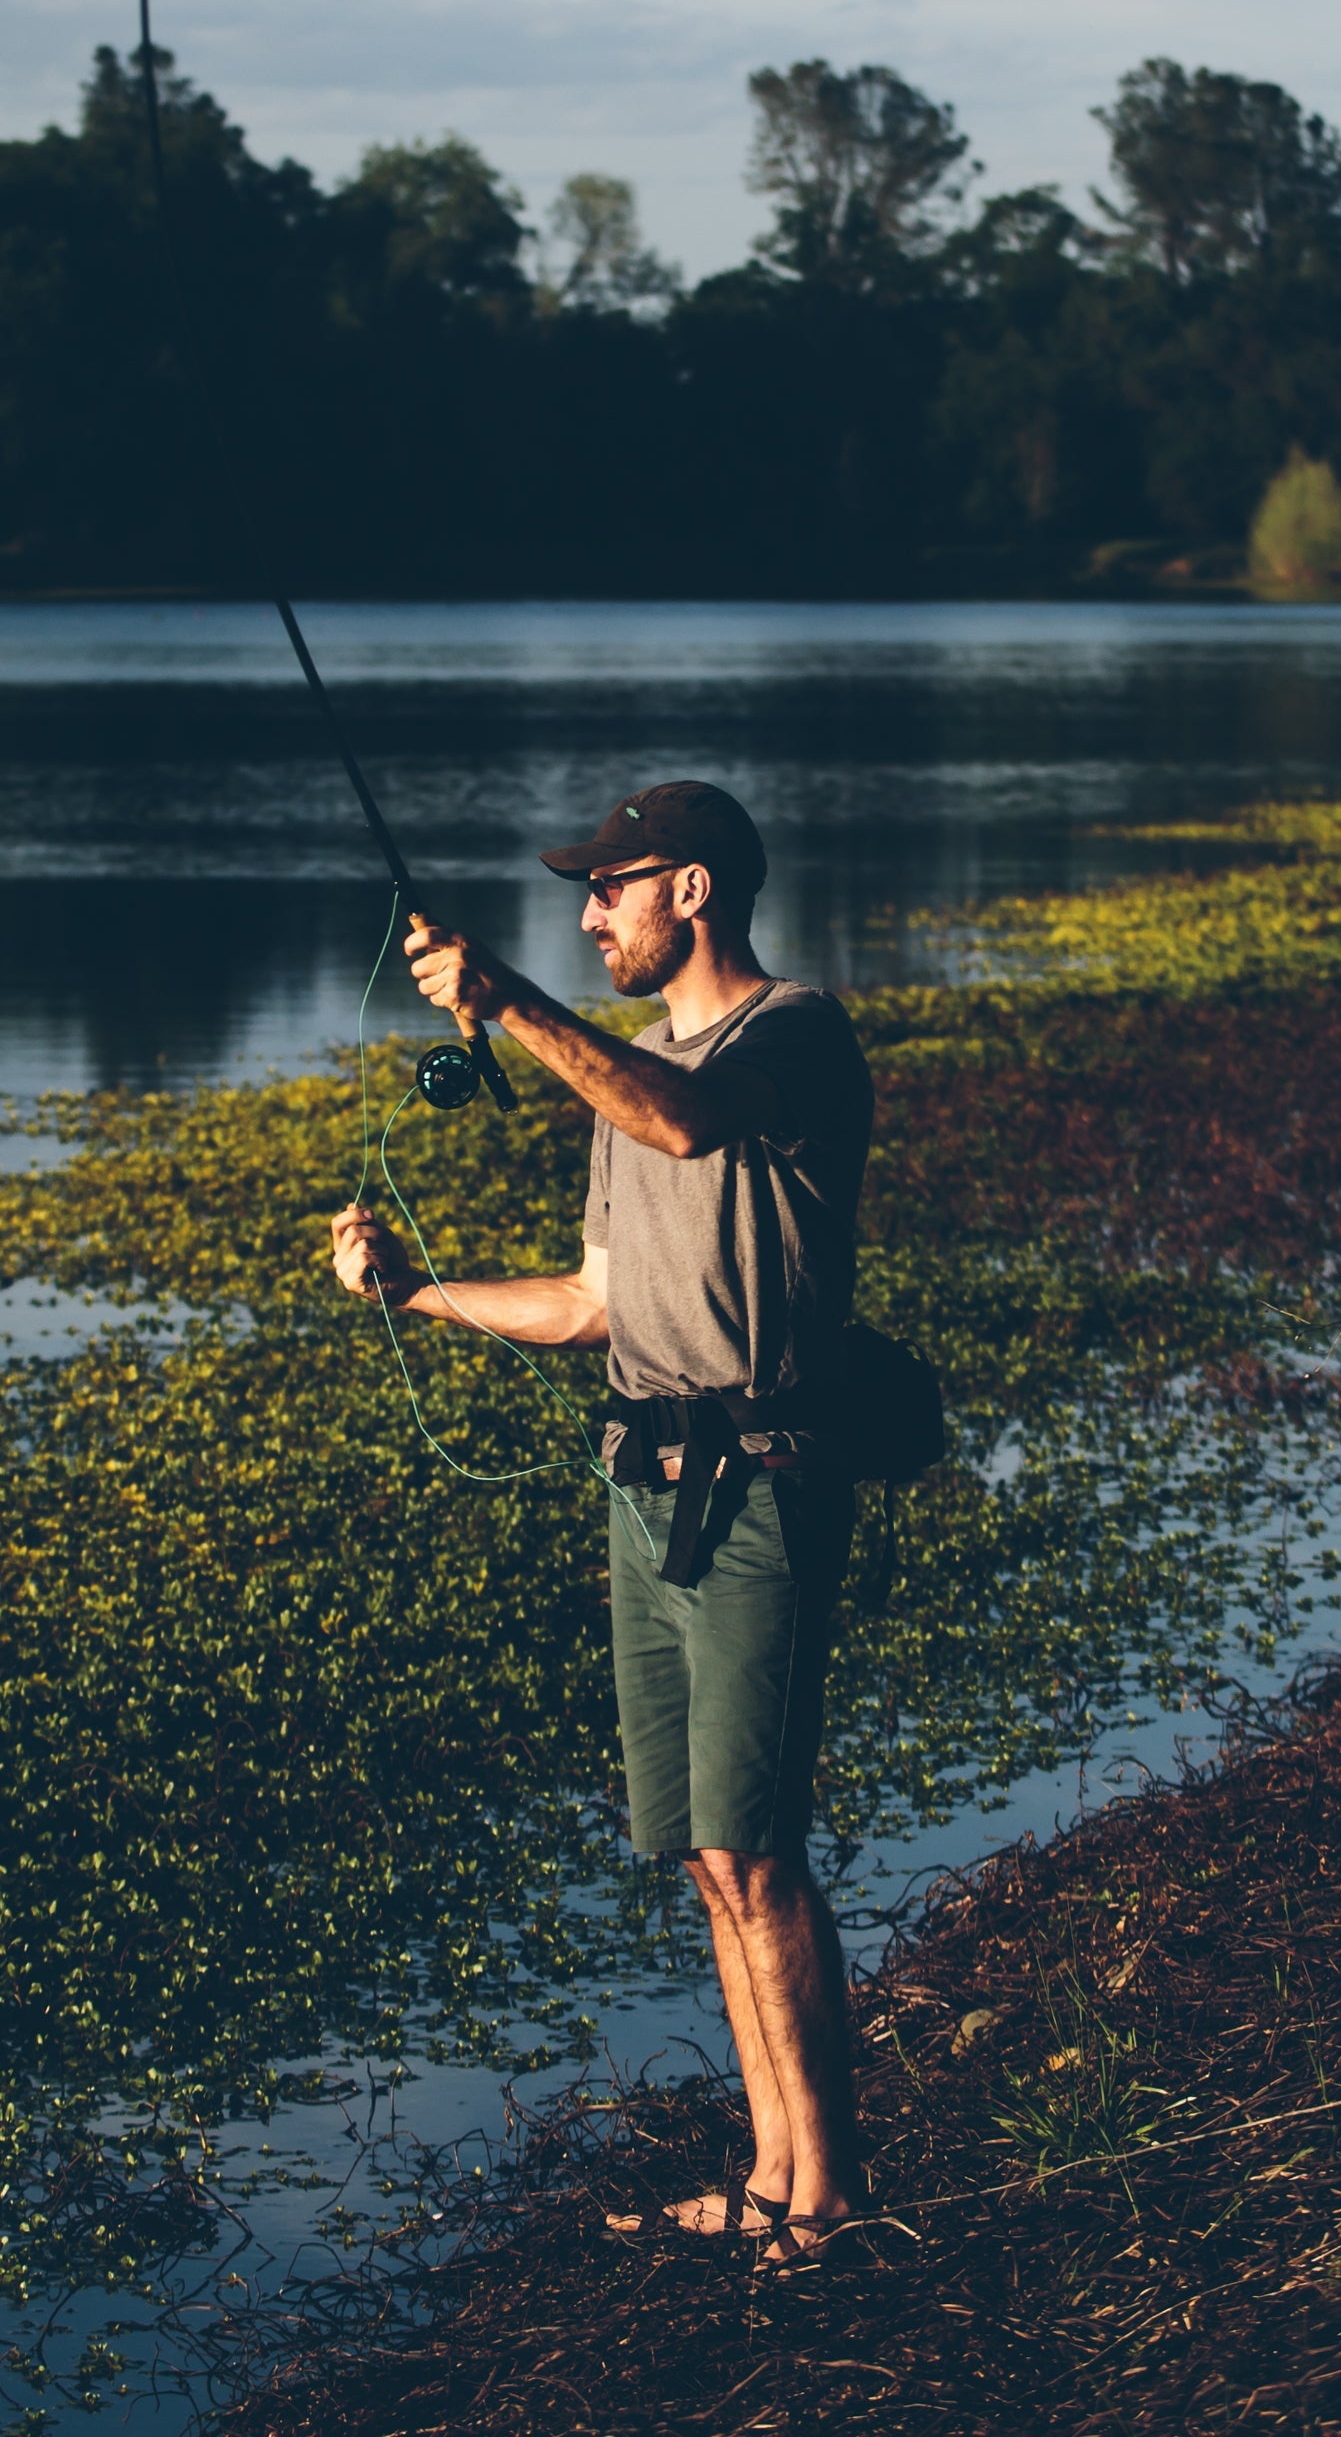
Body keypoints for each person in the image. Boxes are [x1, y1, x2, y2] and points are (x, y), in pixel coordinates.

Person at [328, 778, 873, 2262]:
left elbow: (691, 1128)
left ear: (690, 891)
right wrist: (414, 1295)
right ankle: (775, 2175)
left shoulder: (792, 1037)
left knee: (761, 1852)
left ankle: (823, 2200)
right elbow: (590, 1302)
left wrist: (506, 1004)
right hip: (646, 1494)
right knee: (708, 1855)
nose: (588, 915)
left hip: (763, 1487)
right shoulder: (626, 1079)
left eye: (610, 890)